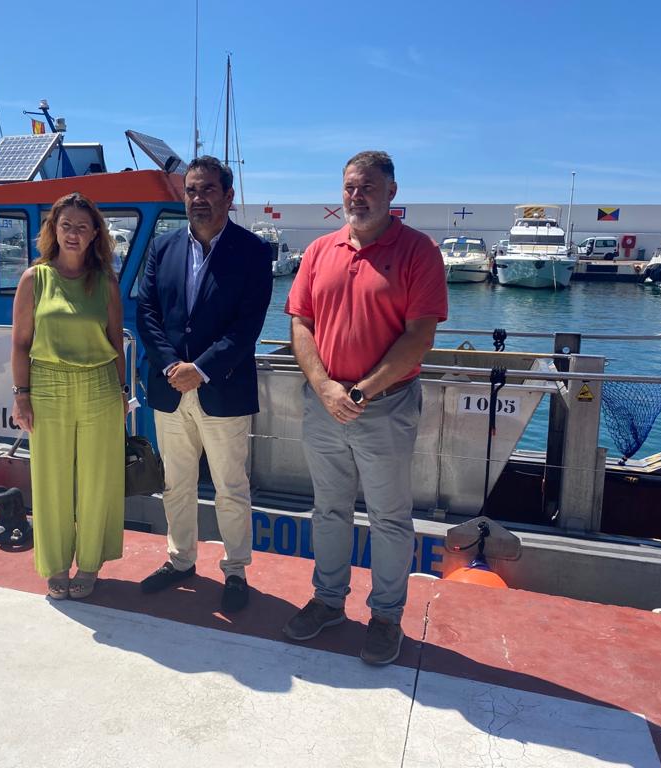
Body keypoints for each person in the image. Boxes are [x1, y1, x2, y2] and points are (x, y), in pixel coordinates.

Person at [282, 151, 448, 664]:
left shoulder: (418, 252)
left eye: (369, 187)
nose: (358, 196)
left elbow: (420, 336)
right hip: (325, 405)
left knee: (389, 517)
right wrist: (327, 388)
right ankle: (329, 601)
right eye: (351, 187)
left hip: (386, 408)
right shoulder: (318, 250)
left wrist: (362, 391)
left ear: (392, 193)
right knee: (328, 510)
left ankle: (385, 617)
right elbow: (300, 324)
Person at [136, 155, 273, 613]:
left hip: (223, 389)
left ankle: (235, 570)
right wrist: (175, 365)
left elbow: (247, 325)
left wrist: (203, 368)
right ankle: (180, 560)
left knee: (231, 487)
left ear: (228, 196)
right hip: (171, 388)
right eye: (191, 190)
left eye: (208, 190)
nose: (198, 198)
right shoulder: (163, 248)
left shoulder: (254, 252)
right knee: (176, 483)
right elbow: (147, 314)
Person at [10, 192, 128, 601]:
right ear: (53, 231)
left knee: (98, 480)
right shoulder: (34, 278)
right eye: (66, 226)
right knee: (51, 480)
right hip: (47, 385)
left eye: (82, 226)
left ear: (95, 232)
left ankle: (91, 564)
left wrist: (122, 394)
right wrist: (21, 396)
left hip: (99, 386)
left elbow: (116, 341)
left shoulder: (106, 282)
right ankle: (57, 565)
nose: (73, 234)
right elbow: (21, 343)